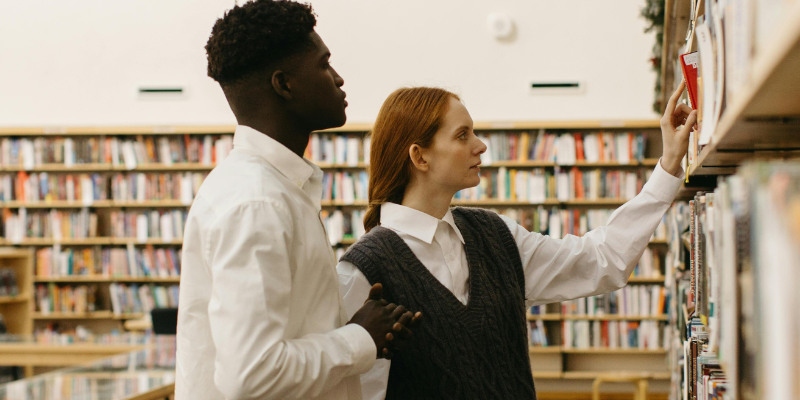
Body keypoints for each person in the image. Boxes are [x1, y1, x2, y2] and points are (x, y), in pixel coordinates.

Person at [337, 83, 695, 399]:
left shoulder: (494, 236)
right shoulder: (364, 270)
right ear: (420, 156)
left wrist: (667, 167)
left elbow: (602, 259)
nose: (480, 145)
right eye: (463, 135)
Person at [176, 1, 421, 400]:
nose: (339, 79)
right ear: (284, 84)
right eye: (324, 65)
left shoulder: (276, 189)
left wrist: (357, 327)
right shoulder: (256, 203)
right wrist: (360, 338)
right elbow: (252, 375)